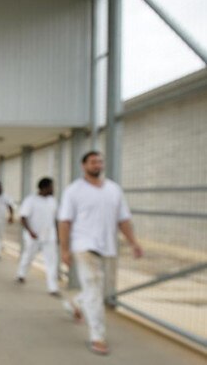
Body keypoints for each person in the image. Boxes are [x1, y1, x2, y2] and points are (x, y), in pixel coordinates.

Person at [58, 151, 143, 356]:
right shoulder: (73, 191)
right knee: (95, 291)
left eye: (100, 161)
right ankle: (98, 337)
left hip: (107, 248)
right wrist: (64, 249)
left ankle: (75, 303)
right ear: (83, 165)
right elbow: (64, 221)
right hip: (84, 246)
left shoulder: (114, 190)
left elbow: (123, 219)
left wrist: (133, 242)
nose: (97, 164)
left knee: (98, 290)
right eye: (93, 161)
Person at [15, 178, 59, 296]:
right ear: (44, 188)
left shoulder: (52, 201)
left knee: (52, 261)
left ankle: (52, 287)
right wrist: (30, 231)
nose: (53, 189)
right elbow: (23, 217)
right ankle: (21, 274)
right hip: (33, 236)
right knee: (28, 256)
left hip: (50, 236)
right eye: (51, 187)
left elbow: (55, 219)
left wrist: (58, 235)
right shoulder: (31, 200)